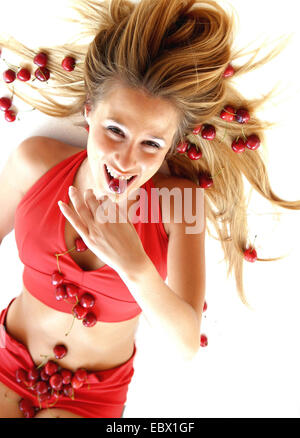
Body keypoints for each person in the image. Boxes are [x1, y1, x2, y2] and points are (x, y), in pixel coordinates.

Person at [0, 0, 299, 419]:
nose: (125, 160)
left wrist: (134, 265)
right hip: (8, 362)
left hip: (90, 395)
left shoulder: (181, 205)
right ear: (90, 111)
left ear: (170, 149)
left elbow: (185, 345)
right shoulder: (34, 164)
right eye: (114, 130)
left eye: (151, 144)